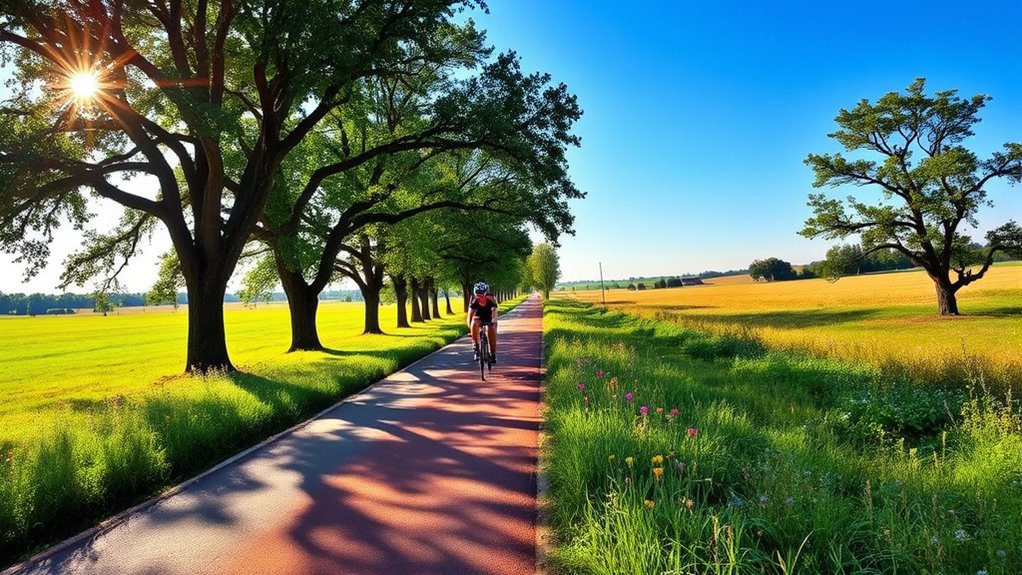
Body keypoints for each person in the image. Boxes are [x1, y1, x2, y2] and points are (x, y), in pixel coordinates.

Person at [467, 281, 498, 363]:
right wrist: (470, 329)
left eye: (481, 295)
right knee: (474, 323)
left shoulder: (491, 300)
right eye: (477, 295)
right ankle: (476, 348)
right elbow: (470, 316)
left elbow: (494, 313)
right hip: (478, 317)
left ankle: (493, 354)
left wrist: (493, 323)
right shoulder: (474, 301)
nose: (478, 297)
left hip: (489, 316)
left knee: (491, 329)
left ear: (485, 294)